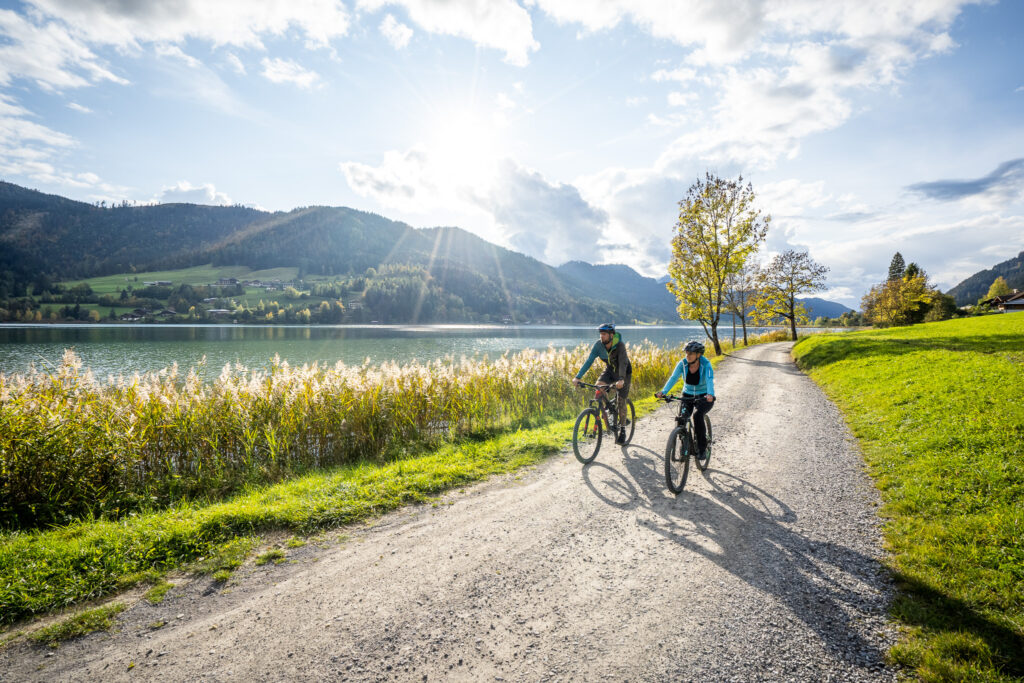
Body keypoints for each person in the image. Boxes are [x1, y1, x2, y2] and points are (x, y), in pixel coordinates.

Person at [572, 323, 633, 444]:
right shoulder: (598, 345)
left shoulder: (619, 345)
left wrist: (621, 379)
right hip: (610, 370)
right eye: (601, 334)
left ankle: (623, 429)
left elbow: (623, 363)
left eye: (604, 334)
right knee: (598, 387)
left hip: (624, 372)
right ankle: (610, 410)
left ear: (611, 335)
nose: (601, 336)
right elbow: (589, 361)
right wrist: (578, 377)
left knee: (621, 400)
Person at [656, 340, 715, 457]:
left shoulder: (706, 364)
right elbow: (673, 378)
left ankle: (702, 449)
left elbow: (709, 380)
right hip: (687, 395)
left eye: (690, 354)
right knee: (681, 419)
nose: (687, 356)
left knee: (697, 416)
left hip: (703, 396)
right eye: (686, 353)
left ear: (698, 355)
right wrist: (663, 391)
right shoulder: (682, 364)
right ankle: (685, 445)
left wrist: (710, 394)